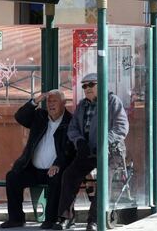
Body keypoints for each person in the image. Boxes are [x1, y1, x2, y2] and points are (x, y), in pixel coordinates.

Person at [53, 73, 129, 231]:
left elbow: (121, 127)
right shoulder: (82, 105)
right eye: (84, 86)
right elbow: (73, 128)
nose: (87, 88)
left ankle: (94, 220)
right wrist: (79, 141)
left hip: (110, 152)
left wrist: (104, 142)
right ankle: (66, 217)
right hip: (87, 151)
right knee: (69, 175)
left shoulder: (112, 101)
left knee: (103, 179)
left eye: (91, 85)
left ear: (100, 85)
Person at [0, 89, 74, 229]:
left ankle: (50, 219)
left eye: (55, 101)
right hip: (33, 168)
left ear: (64, 103)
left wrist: (58, 163)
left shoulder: (70, 121)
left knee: (57, 178)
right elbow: (20, 117)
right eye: (49, 101)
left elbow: (70, 149)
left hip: (55, 169)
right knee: (13, 177)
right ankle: (16, 219)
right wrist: (35, 102)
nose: (51, 104)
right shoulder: (40, 116)